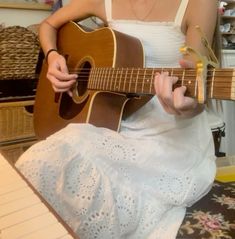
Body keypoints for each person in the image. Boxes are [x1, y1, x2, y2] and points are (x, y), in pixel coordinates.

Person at [16, 0, 219, 238]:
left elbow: (196, 87)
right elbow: (48, 24)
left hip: (170, 140)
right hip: (116, 124)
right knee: (41, 163)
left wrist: (186, 107)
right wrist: (52, 56)